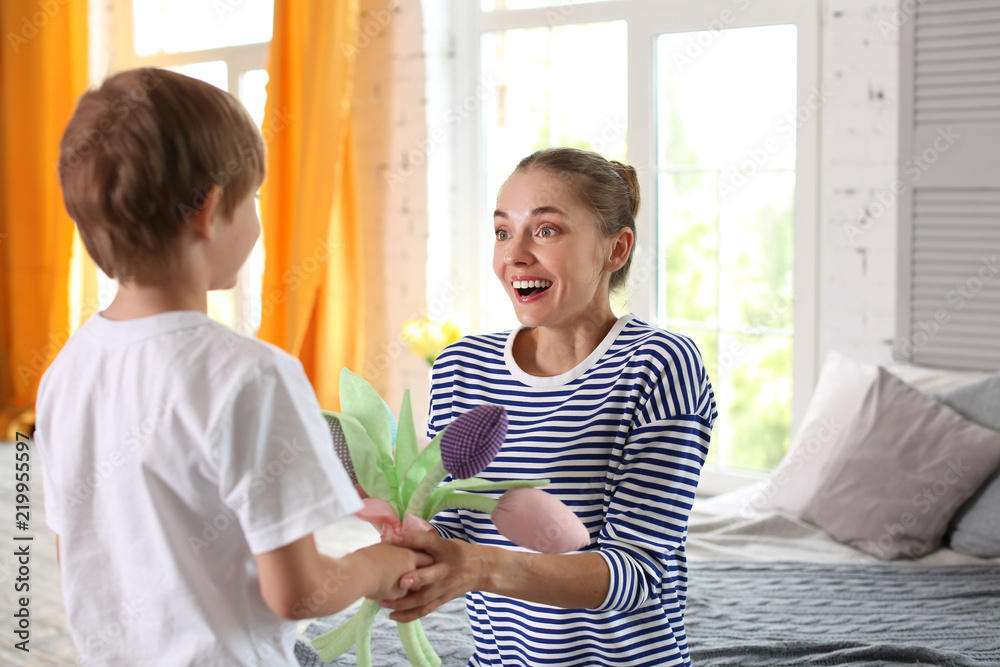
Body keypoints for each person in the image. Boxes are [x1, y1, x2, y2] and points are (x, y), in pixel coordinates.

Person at [35, 67, 428, 666]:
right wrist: (375, 565)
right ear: (210, 211)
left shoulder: (64, 372)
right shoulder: (253, 374)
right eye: (255, 199)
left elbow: (80, 554)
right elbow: (297, 592)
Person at [382, 147, 717, 666]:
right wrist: (408, 530)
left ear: (616, 249)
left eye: (546, 230)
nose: (513, 255)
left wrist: (476, 568)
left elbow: (637, 571)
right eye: (501, 231)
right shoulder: (460, 366)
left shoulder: (658, 365)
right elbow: (450, 522)